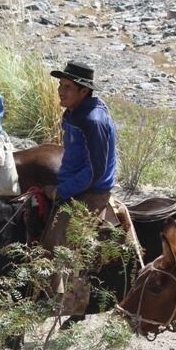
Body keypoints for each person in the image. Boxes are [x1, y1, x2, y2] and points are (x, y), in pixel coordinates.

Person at [42, 60, 119, 253]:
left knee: (56, 246)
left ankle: (62, 283)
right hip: (72, 182)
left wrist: (61, 191)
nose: (60, 91)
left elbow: (96, 172)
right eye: (60, 85)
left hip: (92, 192)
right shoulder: (73, 112)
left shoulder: (93, 121)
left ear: (84, 91)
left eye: (67, 87)